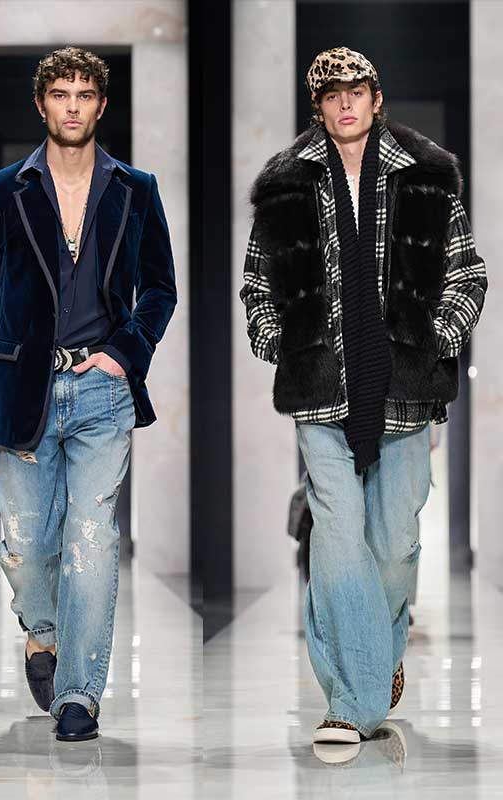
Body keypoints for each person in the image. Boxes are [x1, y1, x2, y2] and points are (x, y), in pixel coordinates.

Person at [240, 46, 486, 749]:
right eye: (332, 94)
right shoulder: (286, 186)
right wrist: (282, 342)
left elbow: (468, 275)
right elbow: (257, 285)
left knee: (394, 547)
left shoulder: (427, 179)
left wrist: (434, 339)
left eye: (357, 91)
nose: (345, 103)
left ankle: (379, 653)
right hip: (321, 393)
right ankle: (351, 702)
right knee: (338, 542)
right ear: (317, 107)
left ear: (376, 99)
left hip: (405, 392)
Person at [0, 46, 176, 742]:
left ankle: (80, 692)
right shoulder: (2, 190)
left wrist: (124, 354)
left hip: (101, 390)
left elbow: (160, 288)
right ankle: (41, 630)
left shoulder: (135, 189)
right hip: (21, 386)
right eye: (60, 94)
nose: (72, 106)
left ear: (102, 106)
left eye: (84, 94)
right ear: (41, 103)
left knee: (92, 539)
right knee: (27, 544)